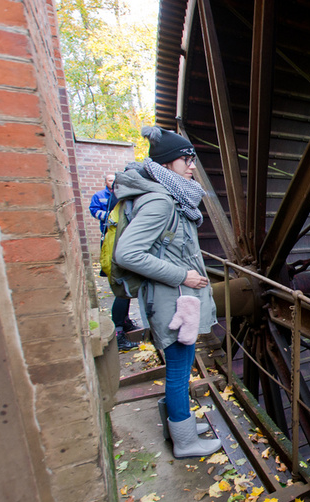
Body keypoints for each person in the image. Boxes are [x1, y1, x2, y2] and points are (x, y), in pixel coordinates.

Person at [113, 126, 221, 458]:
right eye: (185, 159)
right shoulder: (160, 201)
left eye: (192, 159)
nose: (192, 166)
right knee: (178, 369)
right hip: (173, 302)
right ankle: (185, 442)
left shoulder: (169, 194)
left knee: (182, 366)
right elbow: (127, 254)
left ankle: (182, 421)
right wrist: (183, 275)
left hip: (174, 299)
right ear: (166, 163)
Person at [89, 174, 139, 351]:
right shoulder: (119, 203)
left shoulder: (117, 200)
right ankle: (118, 333)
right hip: (117, 254)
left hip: (113, 251)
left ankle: (124, 323)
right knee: (122, 291)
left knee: (123, 292)